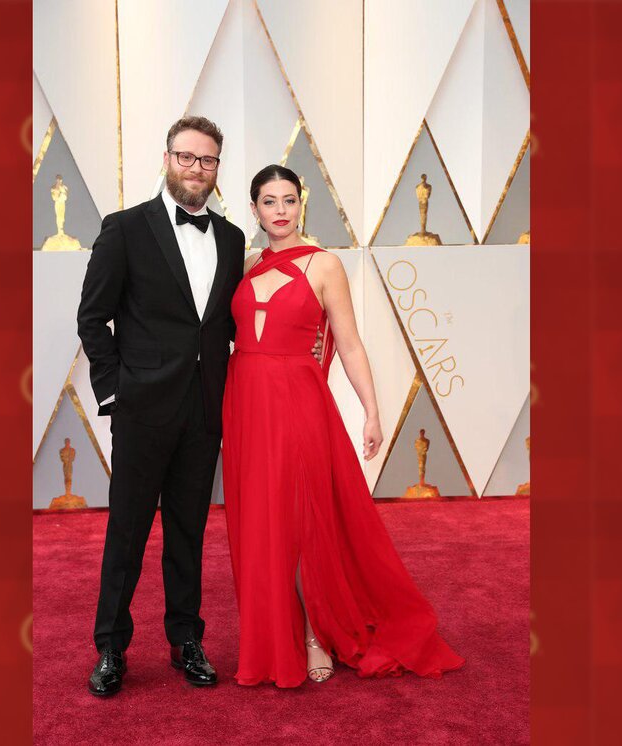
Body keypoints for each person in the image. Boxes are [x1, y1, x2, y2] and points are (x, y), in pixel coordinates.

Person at [221, 165, 465, 687]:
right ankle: (273, 635)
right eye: (269, 201)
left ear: (302, 203)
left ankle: (315, 634)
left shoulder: (325, 264)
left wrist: (372, 411)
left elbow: (349, 344)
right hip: (245, 404)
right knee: (261, 521)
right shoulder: (243, 264)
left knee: (302, 519)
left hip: (297, 401)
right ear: (254, 208)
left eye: (289, 200)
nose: (281, 210)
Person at [75, 116, 242, 697]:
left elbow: (225, 325)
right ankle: (111, 647)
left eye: (208, 160)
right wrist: (115, 391)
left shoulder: (232, 238)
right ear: (167, 159)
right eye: (187, 156)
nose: (197, 168)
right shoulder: (125, 228)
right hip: (142, 409)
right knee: (127, 531)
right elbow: (92, 318)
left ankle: (185, 639)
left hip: (203, 410)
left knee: (188, 532)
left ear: (217, 169)